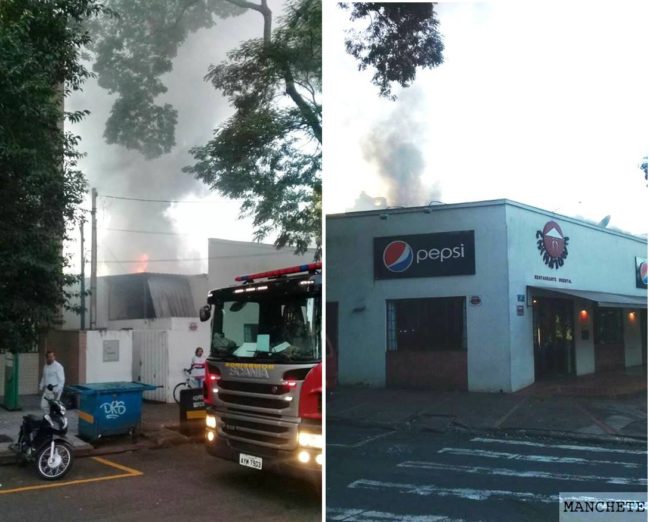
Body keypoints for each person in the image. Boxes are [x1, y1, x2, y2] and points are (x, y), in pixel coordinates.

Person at [39, 350, 65, 415]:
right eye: (49, 357)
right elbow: (44, 377)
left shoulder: (58, 366)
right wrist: (41, 385)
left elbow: (62, 380)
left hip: (55, 390)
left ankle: (53, 419)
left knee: (53, 407)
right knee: (43, 405)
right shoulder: (45, 366)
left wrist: (58, 390)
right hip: (47, 390)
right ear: (46, 358)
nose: (51, 358)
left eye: (52, 356)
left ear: (54, 357)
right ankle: (49, 418)